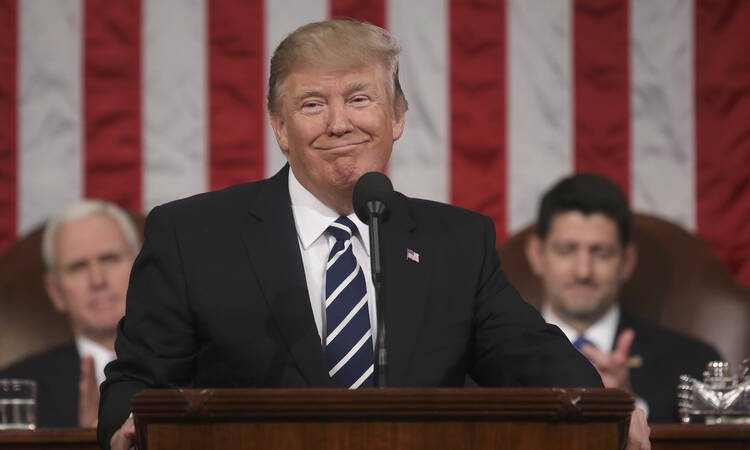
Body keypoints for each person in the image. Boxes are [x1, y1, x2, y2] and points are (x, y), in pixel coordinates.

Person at [99, 20, 649, 450]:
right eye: (313, 104)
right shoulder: (193, 236)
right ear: (280, 127)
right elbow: (136, 383)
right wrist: (126, 428)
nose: (339, 123)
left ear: (398, 118)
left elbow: (529, 353)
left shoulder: (456, 242)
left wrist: (605, 407)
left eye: (360, 99)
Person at [525, 173, 722, 423]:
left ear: (627, 262)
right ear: (537, 255)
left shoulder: (693, 364)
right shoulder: (489, 361)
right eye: (566, 251)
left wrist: (632, 409)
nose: (583, 271)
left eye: (602, 253)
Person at [0, 200, 140, 428]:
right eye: (78, 267)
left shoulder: (196, 368)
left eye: (109, 258)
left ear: (141, 268)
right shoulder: (13, 392)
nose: (97, 280)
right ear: (55, 292)